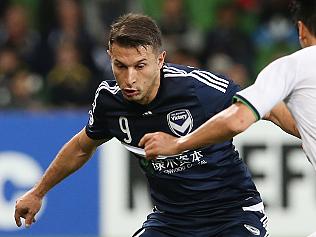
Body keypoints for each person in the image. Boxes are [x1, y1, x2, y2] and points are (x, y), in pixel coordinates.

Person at [14, 13, 269, 237]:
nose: (130, 79)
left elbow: (264, 105)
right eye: (120, 66)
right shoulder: (109, 101)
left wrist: (307, 135)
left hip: (232, 214)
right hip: (172, 221)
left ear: (160, 60)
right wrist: (38, 192)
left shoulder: (199, 88)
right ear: (109, 58)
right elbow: (81, 146)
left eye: (140, 66)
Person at [139, 0, 316, 171]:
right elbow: (291, 119)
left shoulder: (292, 66)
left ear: (300, 29)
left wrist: (177, 144)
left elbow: (237, 120)